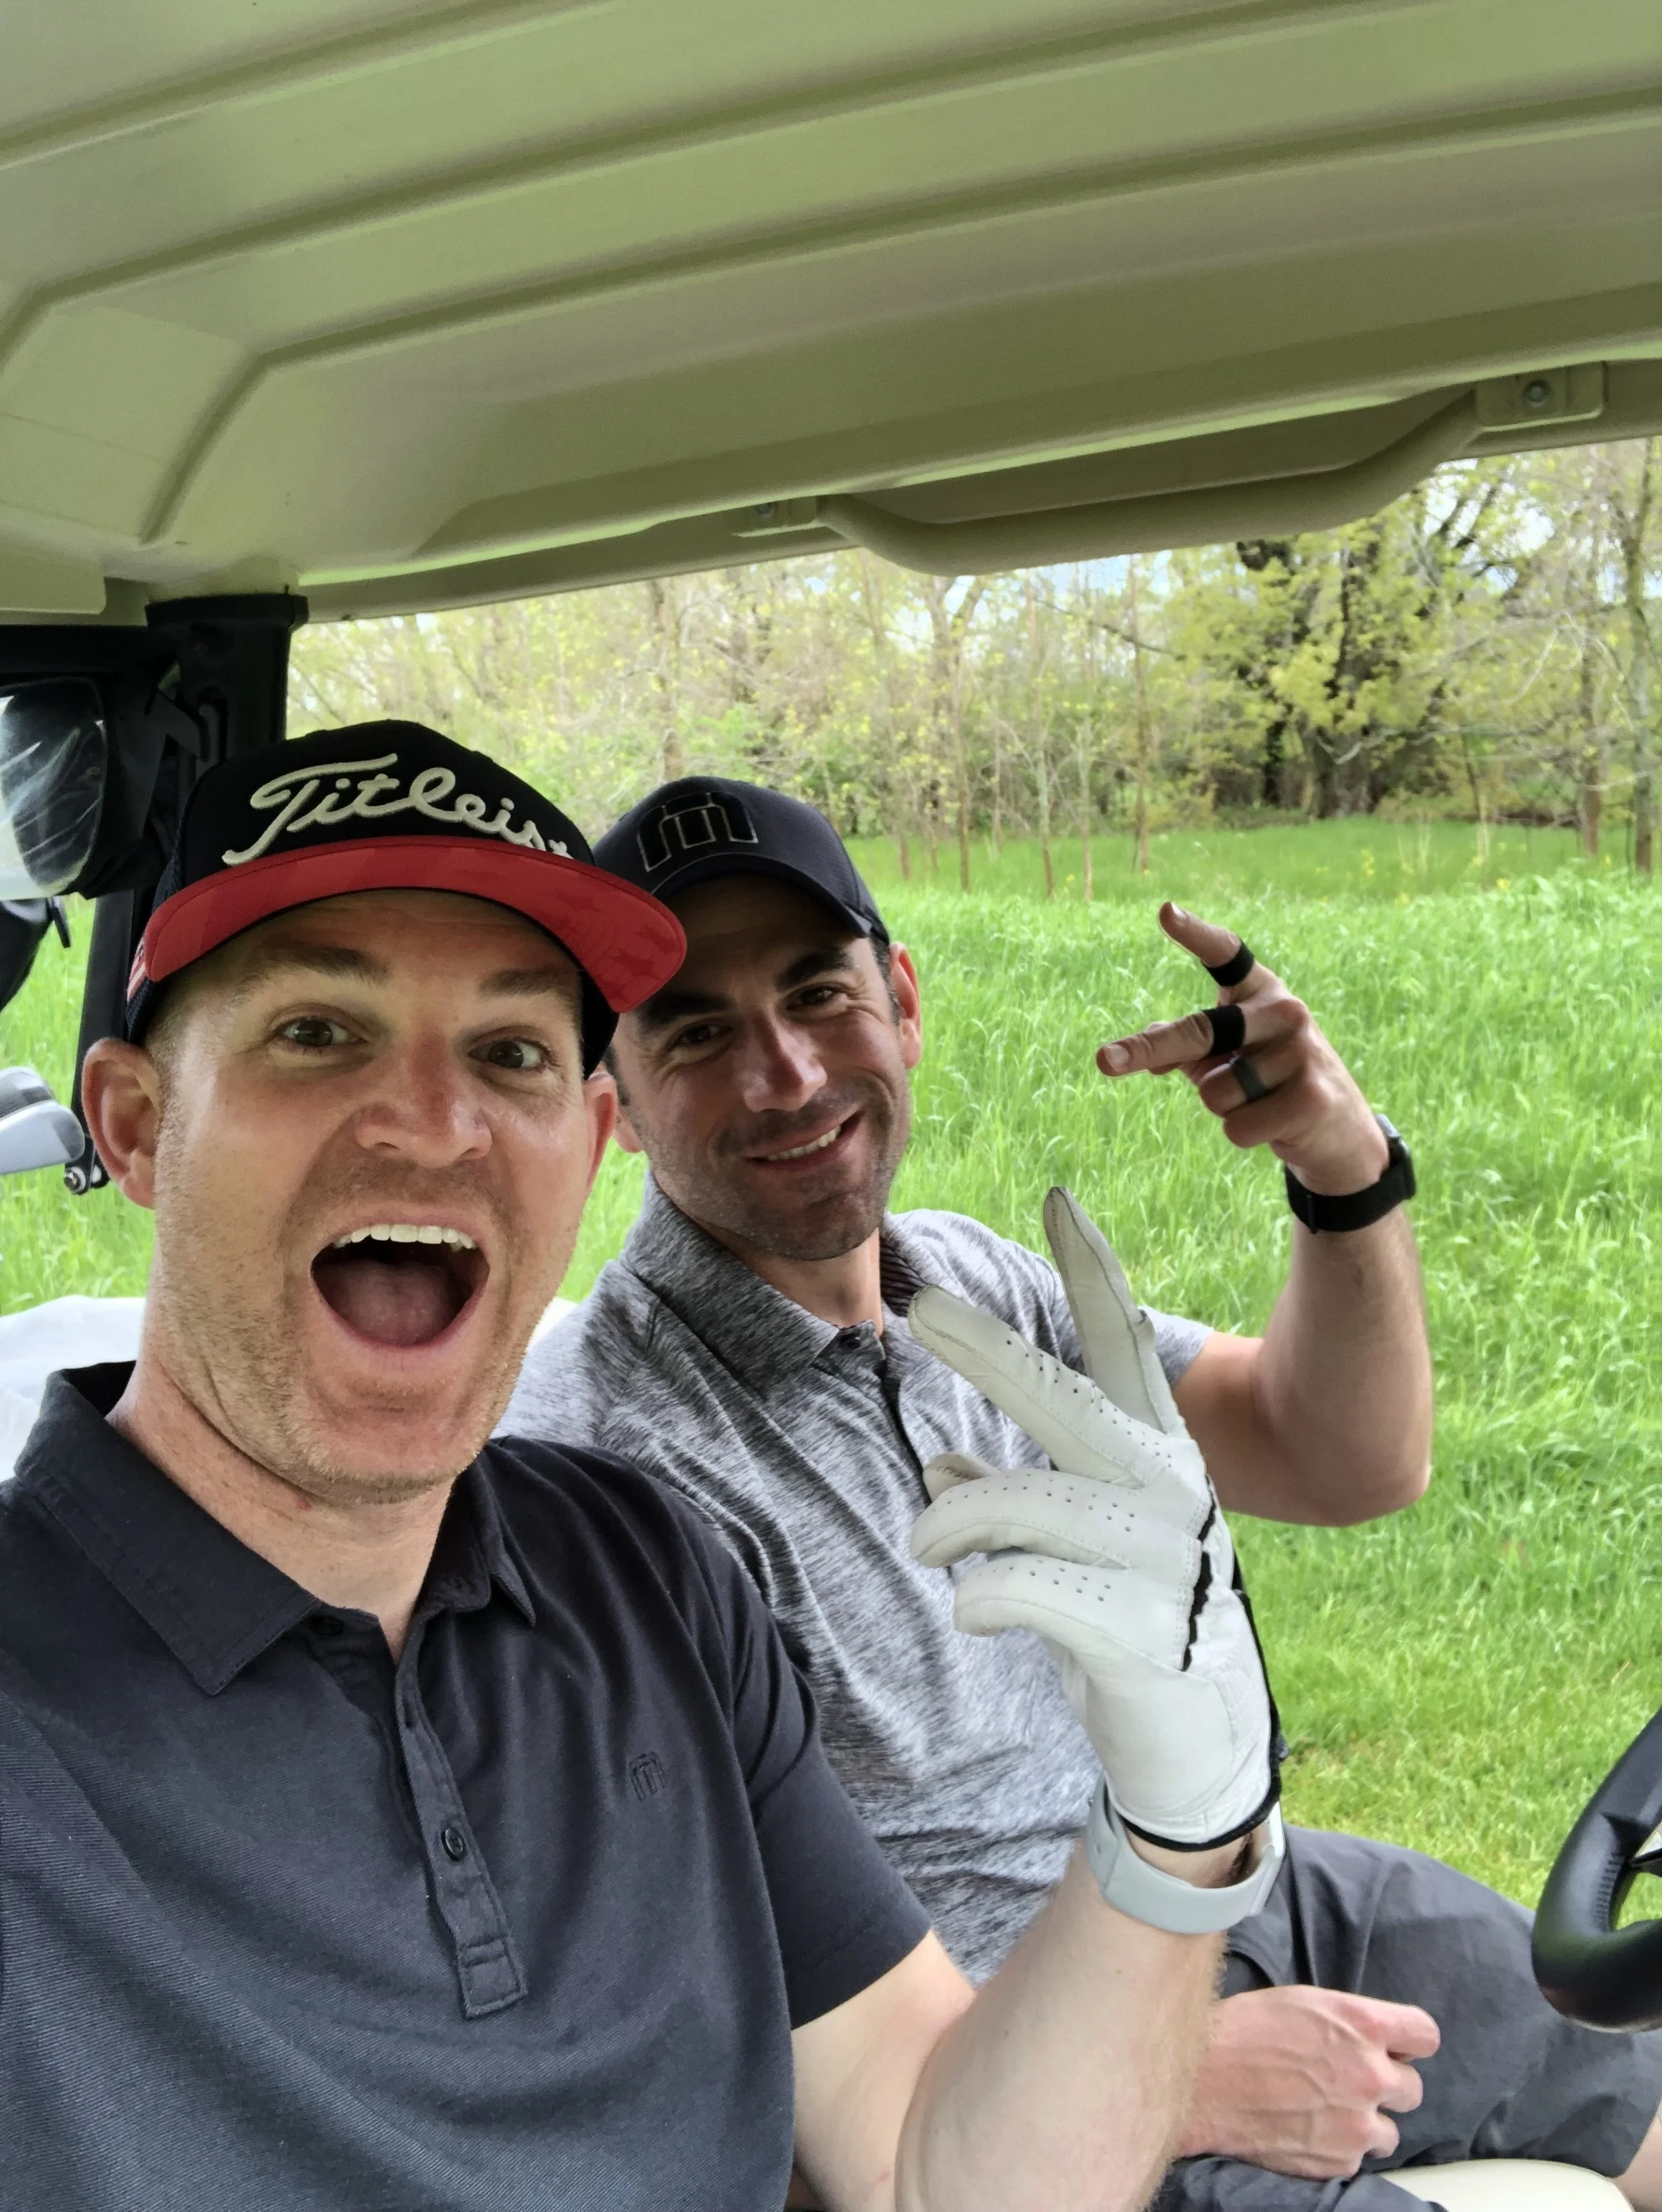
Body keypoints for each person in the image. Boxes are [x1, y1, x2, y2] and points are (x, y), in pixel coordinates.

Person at [0, 721, 1289, 2212]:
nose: (433, 1123)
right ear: (139, 1123)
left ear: (590, 1134)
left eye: (510, 1052)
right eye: (318, 1032)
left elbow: (932, 2163)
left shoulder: (643, 1570)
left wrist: (1174, 1821)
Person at [508, 774, 1662, 2212]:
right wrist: (1168, 2077)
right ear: (610, 1101)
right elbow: (702, 2035)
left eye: (818, 992)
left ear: (903, 997)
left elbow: (1342, 1454)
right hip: (996, 2091)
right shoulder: (606, 1471)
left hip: (1240, 1896)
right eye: (696, 1032)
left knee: (1639, 2065)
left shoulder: (966, 1279)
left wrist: (1340, 1168)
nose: (789, 1072)